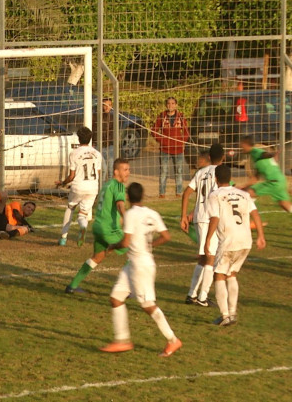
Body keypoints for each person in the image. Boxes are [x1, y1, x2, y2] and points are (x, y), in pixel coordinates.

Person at [99, 183, 182, 357]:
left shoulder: (130, 215)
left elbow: (125, 242)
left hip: (140, 266)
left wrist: (112, 247)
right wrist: (150, 245)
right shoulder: (153, 213)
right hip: (135, 263)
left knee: (147, 305)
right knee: (116, 298)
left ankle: (173, 340)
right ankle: (122, 340)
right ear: (143, 195)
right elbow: (166, 236)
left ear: (128, 197)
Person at [204, 165, 266, 326]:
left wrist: (208, 239)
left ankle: (225, 316)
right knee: (231, 274)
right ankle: (232, 313)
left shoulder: (215, 195)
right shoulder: (243, 194)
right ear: (230, 177)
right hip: (245, 241)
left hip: (229, 240)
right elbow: (255, 214)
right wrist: (260, 235)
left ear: (216, 179)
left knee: (219, 275)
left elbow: (215, 218)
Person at [65, 158, 130, 293]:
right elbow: (119, 204)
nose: (128, 173)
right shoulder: (118, 185)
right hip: (109, 229)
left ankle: (72, 286)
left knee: (97, 257)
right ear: (116, 171)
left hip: (98, 227)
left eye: (128, 169)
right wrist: (127, 218)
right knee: (134, 252)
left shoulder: (107, 185)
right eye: (125, 170)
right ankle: (123, 290)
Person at [180, 143, 225, 307]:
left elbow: (186, 193)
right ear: (224, 158)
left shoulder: (201, 172)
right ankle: (203, 297)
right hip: (210, 218)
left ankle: (192, 294)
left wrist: (184, 215)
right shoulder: (220, 173)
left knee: (203, 257)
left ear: (208, 157)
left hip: (199, 217)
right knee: (210, 258)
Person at [240, 136, 292, 226]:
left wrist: (272, 154)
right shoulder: (254, 156)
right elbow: (255, 178)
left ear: (246, 144)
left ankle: (259, 221)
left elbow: (264, 154)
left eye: (242, 145)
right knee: (286, 206)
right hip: (280, 181)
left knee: (249, 194)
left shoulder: (256, 152)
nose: (241, 147)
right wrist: (243, 185)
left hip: (273, 182)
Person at [55, 126, 102, 246]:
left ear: (78, 139)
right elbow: (98, 173)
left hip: (78, 186)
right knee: (83, 214)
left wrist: (62, 183)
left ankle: (63, 238)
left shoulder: (74, 153)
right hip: (92, 187)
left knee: (70, 207)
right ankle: (83, 226)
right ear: (90, 139)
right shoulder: (97, 154)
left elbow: (71, 176)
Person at [152, 97, 190, 198]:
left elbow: (186, 132)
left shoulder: (181, 117)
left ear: (176, 105)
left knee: (179, 171)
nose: (171, 105)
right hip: (165, 149)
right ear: (166, 105)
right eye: (169, 103)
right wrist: (162, 140)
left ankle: (178, 192)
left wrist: (181, 141)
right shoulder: (161, 117)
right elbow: (154, 131)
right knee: (164, 171)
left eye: (173, 103)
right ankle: (162, 193)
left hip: (178, 149)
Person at [93, 98, 114, 180]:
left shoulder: (113, 117)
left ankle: (110, 190)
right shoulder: (95, 117)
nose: (107, 107)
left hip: (110, 146)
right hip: (99, 146)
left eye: (109, 105)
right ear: (101, 105)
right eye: (105, 105)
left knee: (110, 170)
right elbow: (93, 130)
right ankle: (101, 189)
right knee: (103, 170)